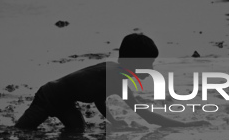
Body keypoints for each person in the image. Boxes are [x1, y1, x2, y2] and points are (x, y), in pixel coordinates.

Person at [14, 33, 209, 132]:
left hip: (64, 102)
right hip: (48, 97)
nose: (152, 69)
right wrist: (185, 125)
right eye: (149, 64)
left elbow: (99, 97)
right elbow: (147, 116)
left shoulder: (113, 71)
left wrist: (114, 121)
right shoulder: (118, 78)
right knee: (21, 132)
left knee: (77, 130)